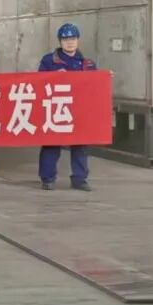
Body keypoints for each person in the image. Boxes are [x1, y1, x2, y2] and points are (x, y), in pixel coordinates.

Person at [38, 23, 96, 191]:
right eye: (66, 39)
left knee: (80, 145)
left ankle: (79, 179)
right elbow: (38, 82)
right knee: (51, 144)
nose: (70, 42)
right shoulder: (49, 61)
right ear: (60, 41)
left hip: (79, 111)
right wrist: (53, 77)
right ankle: (47, 178)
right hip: (56, 109)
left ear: (78, 40)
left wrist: (106, 77)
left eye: (73, 39)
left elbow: (95, 85)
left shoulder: (87, 64)